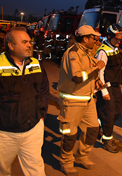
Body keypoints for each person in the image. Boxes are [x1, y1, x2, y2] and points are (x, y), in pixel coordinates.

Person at [0, 27, 50, 176]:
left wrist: (41, 114)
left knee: (36, 169)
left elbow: (44, 90)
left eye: (29, 41)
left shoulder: (35, 63)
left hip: (33, 129)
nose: (29, 45)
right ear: (11, 45)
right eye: (24, 42)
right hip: (5, 133)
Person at [57, 25, 105, 175]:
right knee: (70, 134)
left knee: (92, 129)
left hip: (88, 99)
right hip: (72, 101)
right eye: (93, 38)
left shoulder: (87, 53)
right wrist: (96, 69)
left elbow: (88, 71)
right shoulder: (73, 53)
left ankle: (82, 156)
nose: (95, 40)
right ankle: (66, 162)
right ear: (85, 38)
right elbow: (77, 76)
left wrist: (96, 80)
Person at [95, 24, 122, 152]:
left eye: (120, 38)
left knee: (118, 110)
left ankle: (96, 125)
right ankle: (107, 140)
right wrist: (104, 91)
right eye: (117, 38)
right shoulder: (103, 51)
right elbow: (99, 73)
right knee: (109, 113)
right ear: (109, 36)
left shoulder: (115, 48)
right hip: (106, 87)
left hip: (116, 85)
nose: (119, 40)